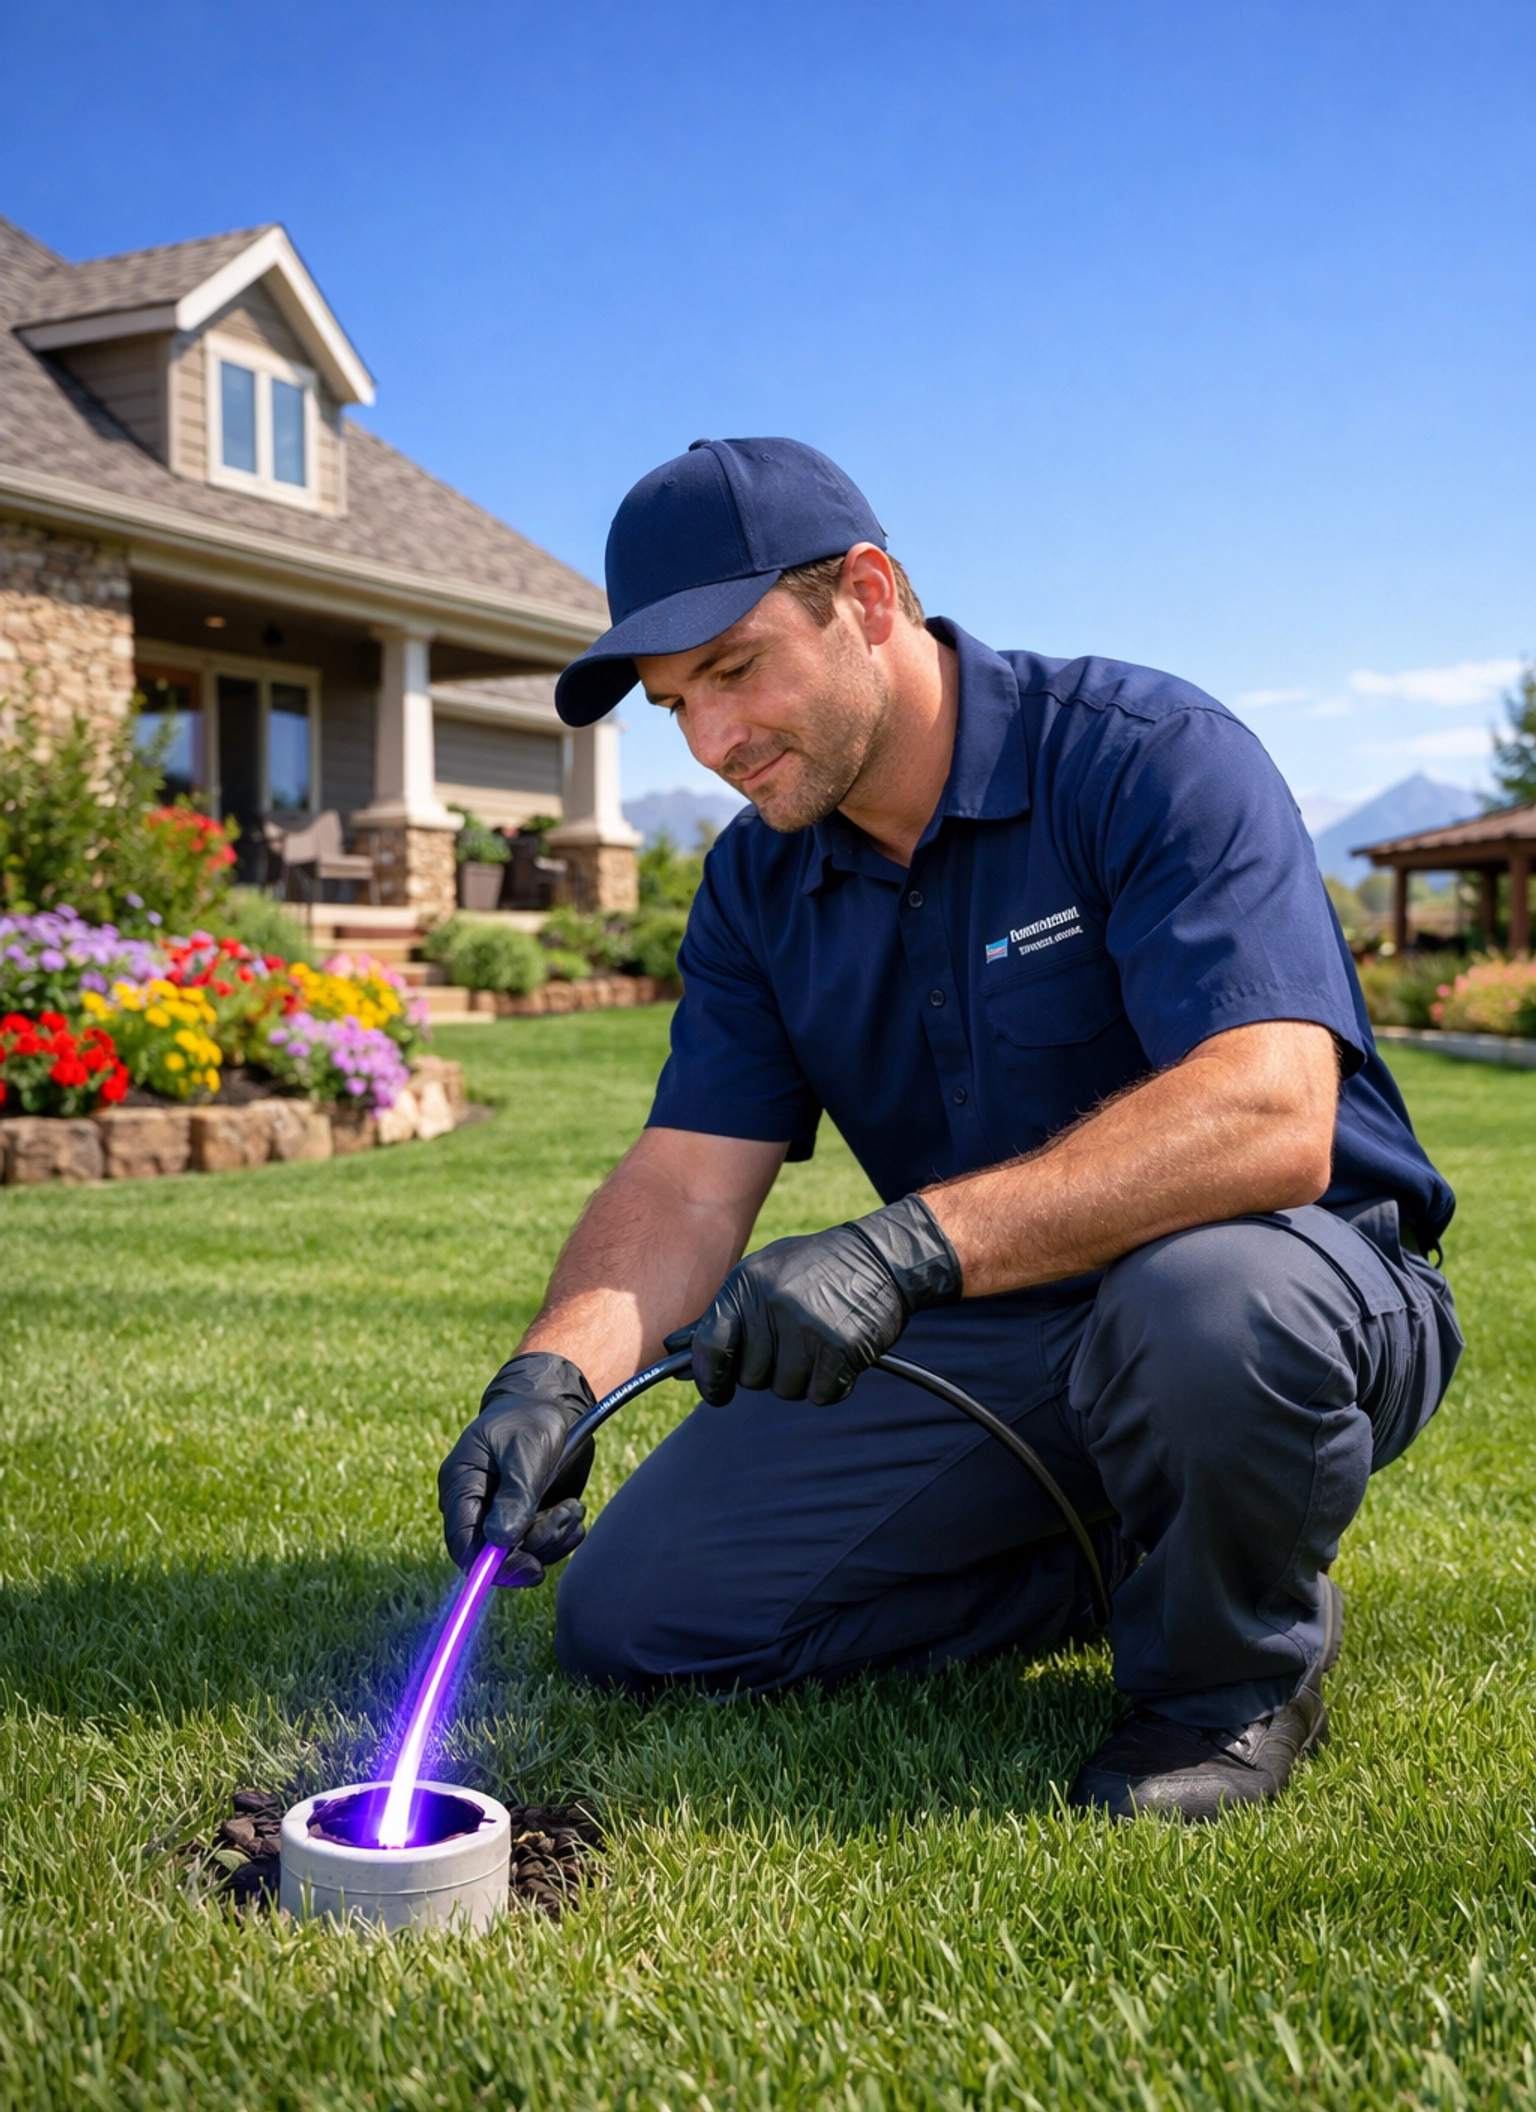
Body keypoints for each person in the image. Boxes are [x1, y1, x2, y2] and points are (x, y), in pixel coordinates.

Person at [438, 437, 1461, 1822]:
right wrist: (547, 1379)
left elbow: (1271, 1111)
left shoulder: (1147, 758)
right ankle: (1139, 1551)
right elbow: (686, 1183)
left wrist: (902, 1249)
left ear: (867, 598)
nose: (713, 742)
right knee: (640, 1620)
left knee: (1202, 1307)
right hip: (1007, 1314)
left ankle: (1228, 1684)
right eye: (676, 706)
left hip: (1296, 1277)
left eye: (735, 670)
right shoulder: (756, 884)